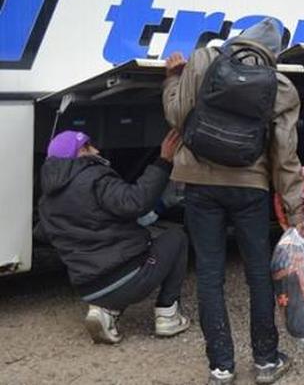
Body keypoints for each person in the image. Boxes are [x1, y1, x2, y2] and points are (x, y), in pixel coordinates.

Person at [163, 18, 303, 384]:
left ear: (241, 39)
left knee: (210, 275)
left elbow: (177, 116)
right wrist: (294, 209)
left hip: (200, 183)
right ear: (273, 54)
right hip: (250, 186)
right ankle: (266, 361)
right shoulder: (281, 85)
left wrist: (173, 79)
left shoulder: (202, 60)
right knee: (258, 272)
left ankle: (221, 367)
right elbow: (285, 153)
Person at [36, 129, 190, 344]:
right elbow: (136, 202)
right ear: (77, 154)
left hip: (88, 289)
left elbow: (43, 234)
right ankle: (168, 314)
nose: (96, 150)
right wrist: (163, 161)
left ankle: (106, 311)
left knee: (115, 268)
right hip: (127, 278)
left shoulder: (46, 201)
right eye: (87, 147)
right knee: (176, 238)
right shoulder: (95, 179)